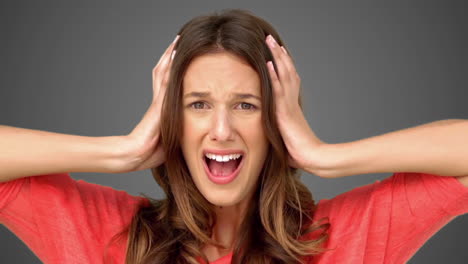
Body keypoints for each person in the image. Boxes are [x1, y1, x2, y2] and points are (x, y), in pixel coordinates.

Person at [1, 8, 468, 264]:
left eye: (246, 105)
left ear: (276, 123)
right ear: (172, 122)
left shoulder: (343, 240)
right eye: (198, 104)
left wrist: (324, 156)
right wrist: (122, 150)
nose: (221, 131)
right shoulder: (106, 234)